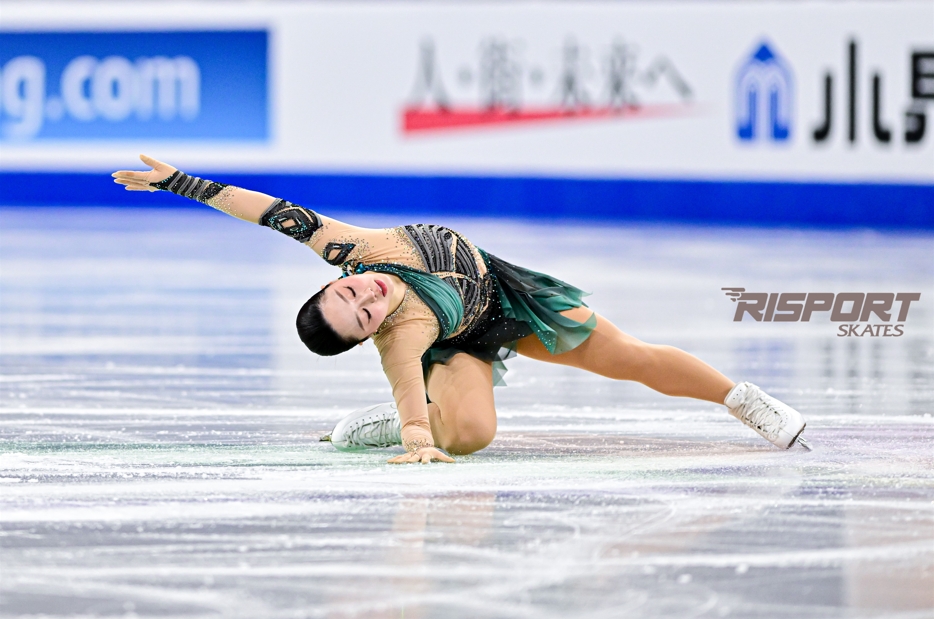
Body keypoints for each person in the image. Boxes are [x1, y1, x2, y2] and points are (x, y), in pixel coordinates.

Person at [113, 155, 808, 464]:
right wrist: (417, 435)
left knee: (628, 357)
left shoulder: (349, 246)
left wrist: (180, 183)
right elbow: (405, 390)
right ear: (371, 335)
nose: (366, 296)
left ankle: (743, 400)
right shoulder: (402, 340)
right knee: (470, 434)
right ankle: (388, 426)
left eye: (349, 292)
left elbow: (267, 211)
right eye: (363, 315)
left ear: (335, 280)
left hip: (508, 296)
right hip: (458, 340)